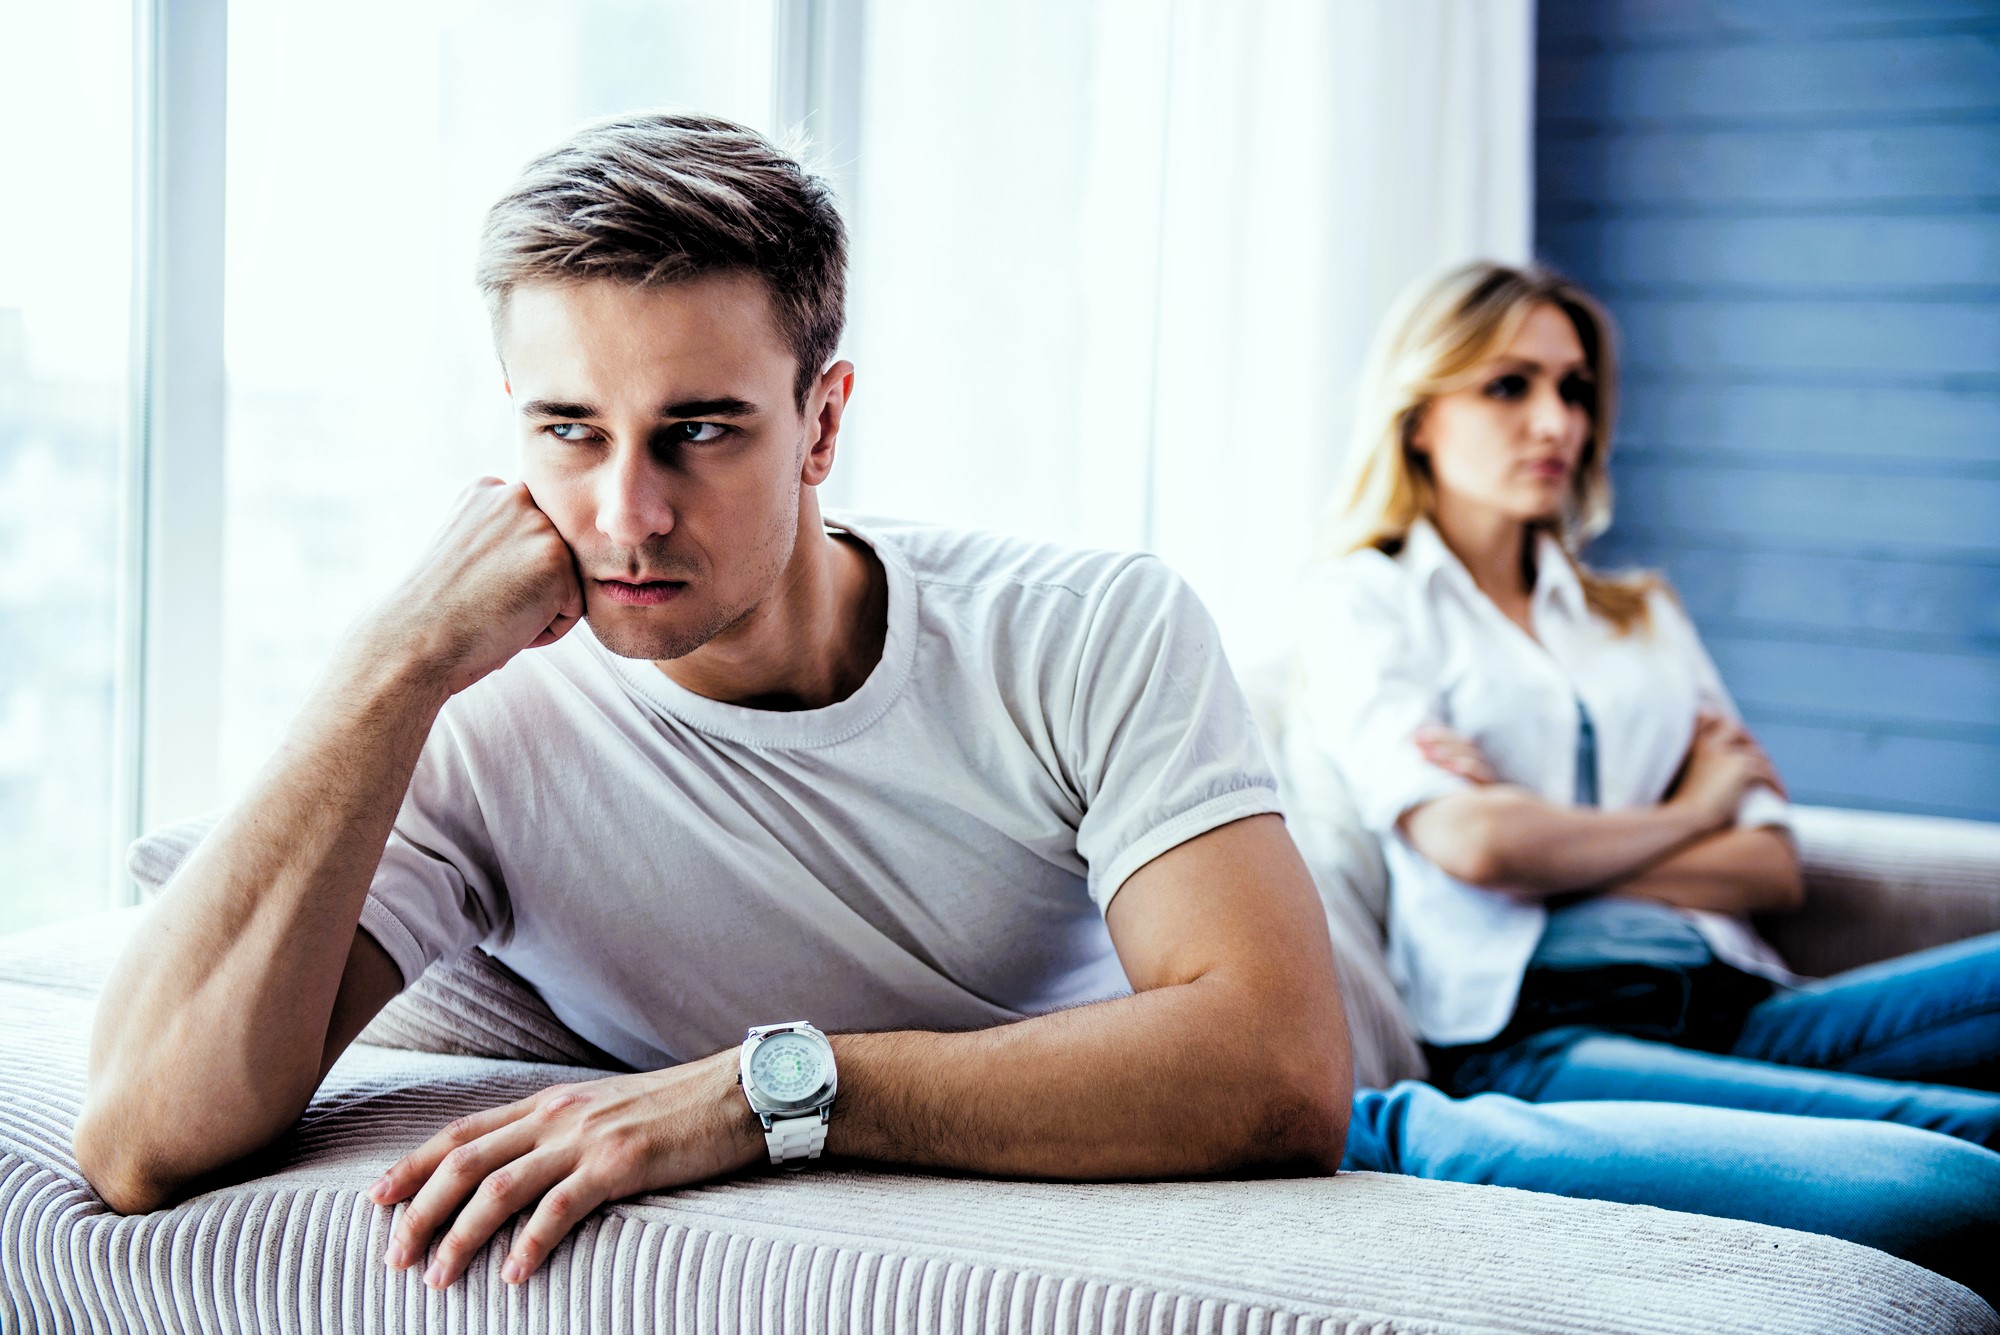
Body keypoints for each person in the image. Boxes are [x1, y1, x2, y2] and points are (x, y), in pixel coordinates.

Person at [74, 117, 1998, 1300]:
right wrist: (384, 658)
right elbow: (143, 1140)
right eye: (566, 432)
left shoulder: (1078, 622)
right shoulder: (479, 729)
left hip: (1393, 1125)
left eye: (703, 433)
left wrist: (769, 1092)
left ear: (827, 418)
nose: (625, 512)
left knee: (1944, 1198)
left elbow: (1268, 1072)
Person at [1290, 259, 2000, 1152]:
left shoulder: (1641, 616)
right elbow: (1472, 841)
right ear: (1420, 416)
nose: (1557, 423)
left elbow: (1769, 865)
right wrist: (1692, 812)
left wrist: (1538, 853)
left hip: (1734, 998)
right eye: (1509, 386)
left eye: (1574, 390)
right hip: (1543, 1036)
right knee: (1971, 1136)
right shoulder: (1365, 599)